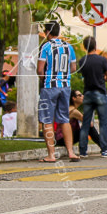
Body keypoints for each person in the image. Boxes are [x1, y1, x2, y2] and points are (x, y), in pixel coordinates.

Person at [37, 21, 78, 163]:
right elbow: (73, 68)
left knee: (47, 120)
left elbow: (40, 69)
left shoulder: (46, 47)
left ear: (48, 32)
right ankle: (71, 152)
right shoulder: (68, 46)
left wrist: (44, 79)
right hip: (65, 86)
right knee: (64, 119)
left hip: (50, 85)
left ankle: (51, 155)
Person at [78, 36, 107, 158]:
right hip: (100, 92)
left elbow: (83, 75)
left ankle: (82, 151)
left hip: (87, 93)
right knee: (103, 123)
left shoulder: (82, 61)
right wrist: (103, 79)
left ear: (85, 47)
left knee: (86, 123)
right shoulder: (102, 60)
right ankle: (105, 149)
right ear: (95, 46)